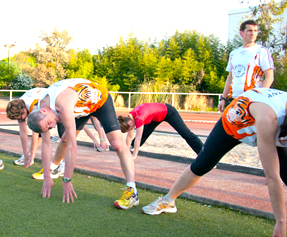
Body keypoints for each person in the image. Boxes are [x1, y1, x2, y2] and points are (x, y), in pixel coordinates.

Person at [141, 88, 287, 237]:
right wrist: (281, 222)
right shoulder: (268, 119)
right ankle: (168, 200)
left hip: (268, 123)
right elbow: (271, 176)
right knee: (201, 166)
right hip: (232, 126)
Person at [27, 78, 137, 208]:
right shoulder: (40, 110)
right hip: (81, 107)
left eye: (49, 123)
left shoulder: (63, 104)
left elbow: (73, 147)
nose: (53, 124)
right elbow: (46, 145)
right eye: (49, 127)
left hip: (100, 101)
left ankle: (132, 191)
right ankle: (52, 169)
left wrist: (67, 180)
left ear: (43, 111)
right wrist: (46, 177)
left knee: (117, 144)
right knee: (64, 139)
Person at [218, 19, 274, 112]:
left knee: (250, 126)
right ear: (241, 33)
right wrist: (223, 98)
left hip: (252, 100)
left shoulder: (261, 51)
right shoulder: (234, 53)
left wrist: (260, 97)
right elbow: (230, 77)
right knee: (221, 126)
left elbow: (269, 77)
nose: (253, 33)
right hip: (234, 99)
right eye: (249, 31)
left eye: (255, 31)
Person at [117, 103, 203, 159]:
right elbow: (129, 136)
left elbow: (138, 139)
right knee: (144, 133)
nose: (132, 129)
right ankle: (129, 149)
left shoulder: (139, 118)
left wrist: (134, 156)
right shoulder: (130, 116)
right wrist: (126, 151)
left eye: (131, 128)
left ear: (130, 124)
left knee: (186, 134)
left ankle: (205, 155)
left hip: (169, 112)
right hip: (155, 116)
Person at [6, 87, 46, 167]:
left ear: (24, 110)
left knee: (48, 132)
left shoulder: (34, 106)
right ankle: (27, 155)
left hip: (50, 102)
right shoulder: (18, 106)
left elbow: (35, 133)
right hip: (40, 100)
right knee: (42, 132)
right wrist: (25, 154)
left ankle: (62, 163)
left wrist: (33, 154)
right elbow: (23, 132)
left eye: (20, 118)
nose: (21, 120)